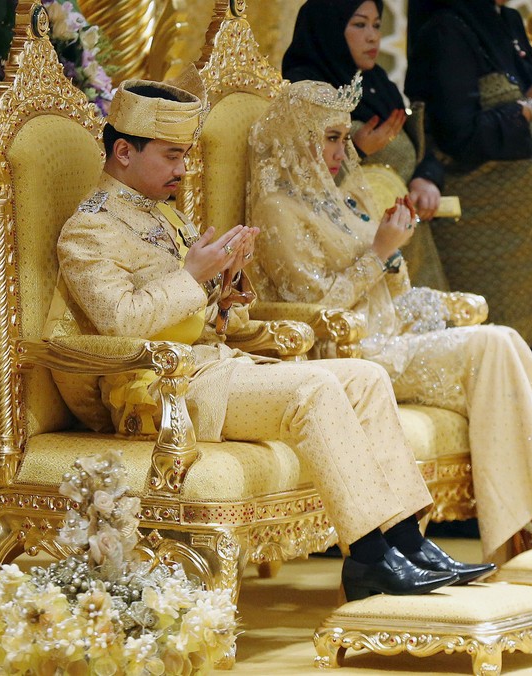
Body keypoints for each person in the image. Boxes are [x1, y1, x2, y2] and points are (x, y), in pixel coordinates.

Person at [45, 75, 493, 602]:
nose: (182, 169)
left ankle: (406, 541)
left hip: (217, 368)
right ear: (123, 151)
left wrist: (226, 290)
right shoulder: (88, 230)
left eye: (185, 155)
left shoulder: (166, 216)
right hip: (158, 393)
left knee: (366, 378)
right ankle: (369, 560)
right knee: (315, 389)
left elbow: (203, 319)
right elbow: (121, 321)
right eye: (171, 156)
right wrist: (192, 276)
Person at [246, 77, 532, 562]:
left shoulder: (341, 197)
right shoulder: (277, 210)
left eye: (341, 136)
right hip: (348, 356)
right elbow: (314, 312)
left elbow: (393, 290)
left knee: (504, 338)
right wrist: (379, 252)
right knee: (493, 346)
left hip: (389, 337)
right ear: (295, 137)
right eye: (330, 137)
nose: (341, 148)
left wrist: (395, 257)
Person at [404, 0, 532, 374]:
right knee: (497, 372)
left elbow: (528, 112)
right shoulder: (446, 28)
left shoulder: (508, 21)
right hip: (483, 241)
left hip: (531, 241)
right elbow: (459, 137)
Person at [282, 0, 449, 291]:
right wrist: (355, 149)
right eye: (359, 24)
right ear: (329, 30)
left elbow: (420, 143)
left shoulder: (376, 82)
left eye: (376, 25)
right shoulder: (304, 91)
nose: (373, 36)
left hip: (409, 236)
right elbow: (296, 180)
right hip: (355, 253)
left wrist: (427, 178)